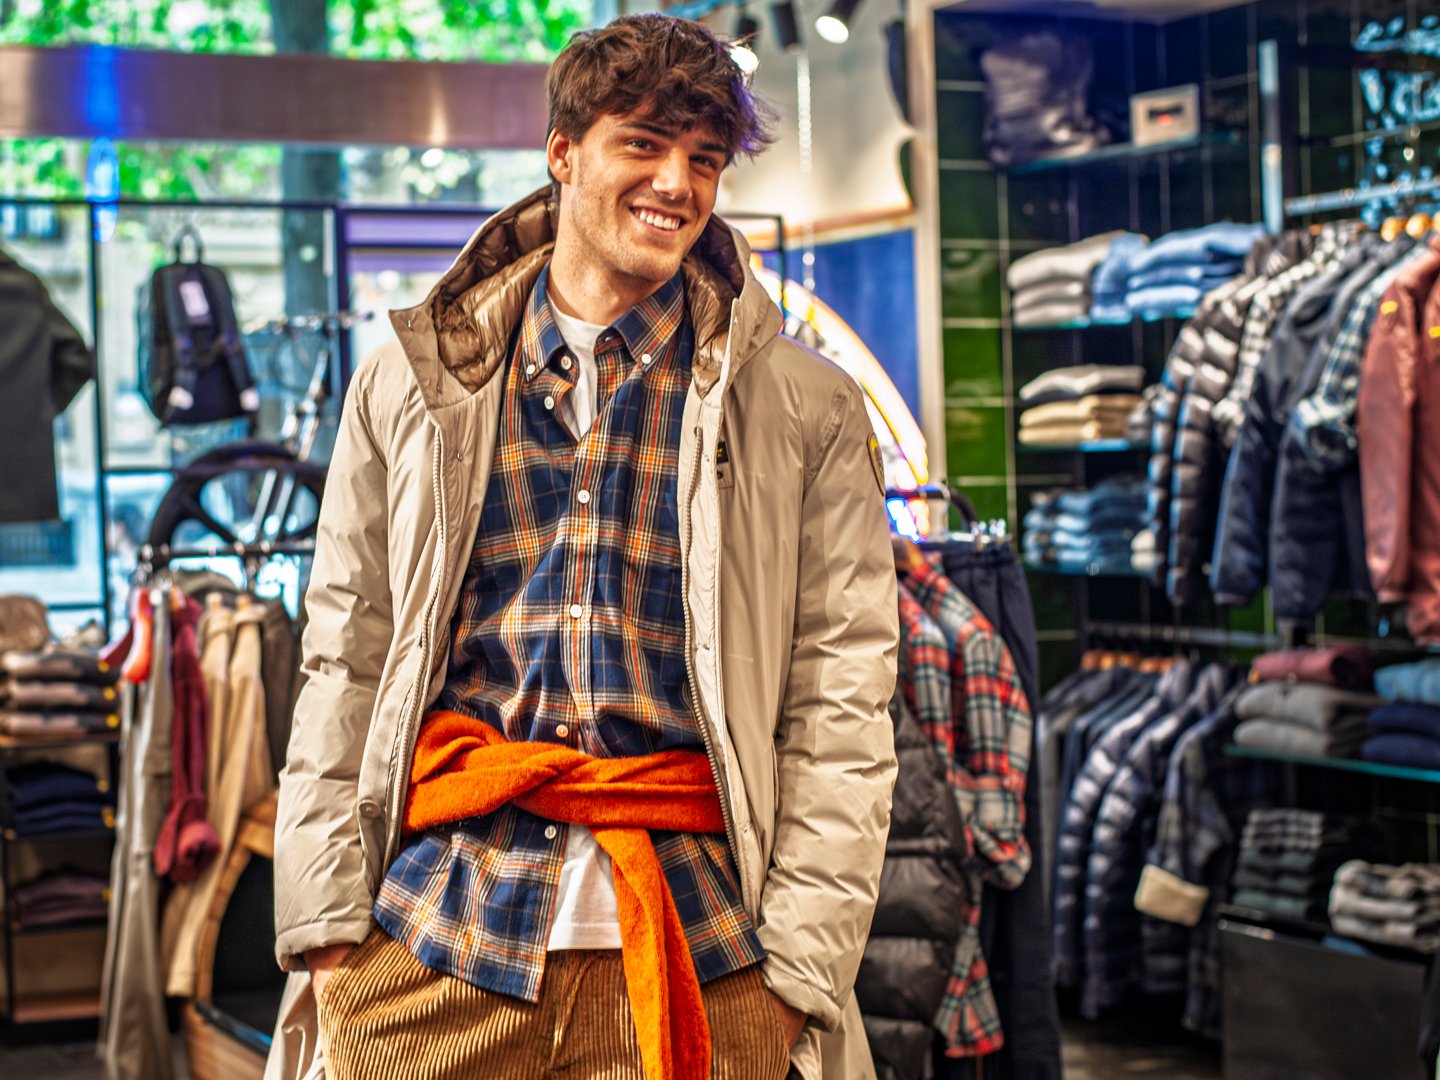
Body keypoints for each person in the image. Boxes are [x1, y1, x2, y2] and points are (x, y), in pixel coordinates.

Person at [266, 14, 898, 1080]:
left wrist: (801, 973)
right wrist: (328, 929)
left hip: (708, 949)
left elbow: (842, 701)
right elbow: (345, 657)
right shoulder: (413, 384)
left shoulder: (804, 408)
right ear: (562, 153)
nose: (678, 184)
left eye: (704, 159)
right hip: (434, 939)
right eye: (643, 145)